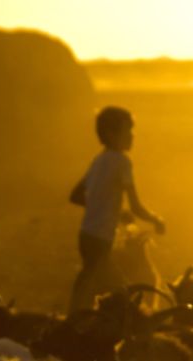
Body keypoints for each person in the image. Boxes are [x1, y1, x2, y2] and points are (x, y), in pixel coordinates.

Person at [67, 106, 165, 313]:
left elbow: (75, 196)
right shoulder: (122, 162)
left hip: (85, 236)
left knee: (90, 285)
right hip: (101, 240)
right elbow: (136, 207)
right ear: (111, 134)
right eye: (127, 131)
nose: (132, 136)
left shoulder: (98, 160)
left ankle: (76, 318)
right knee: (121, 294)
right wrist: (156, 220)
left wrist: (108, 208)